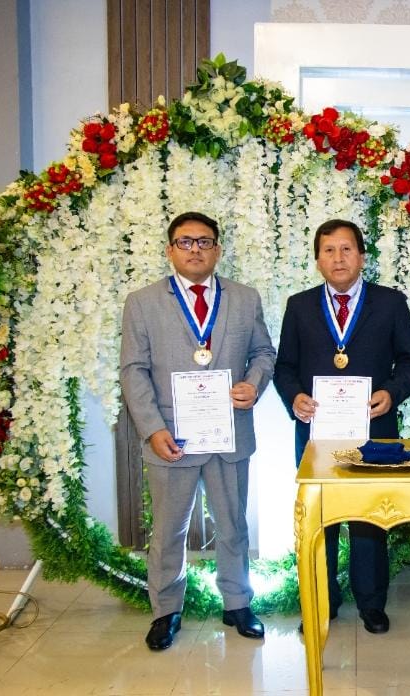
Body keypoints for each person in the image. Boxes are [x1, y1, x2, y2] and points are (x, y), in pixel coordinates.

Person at [120, 211, 276, 651]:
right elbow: (133, 370)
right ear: (170, 250)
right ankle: (165, 610)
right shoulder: (142, 302)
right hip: (171, 438)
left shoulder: (244, 298)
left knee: (233, 525)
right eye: (185, 242)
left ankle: (238, 602)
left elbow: (264, 352)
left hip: (228, 433)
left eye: (204, 242)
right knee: (168, 530)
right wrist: (152, 429)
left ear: (218, 250)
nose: (195, 250)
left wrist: (253, 384)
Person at [274, 219, 410, 635]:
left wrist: (391, 392)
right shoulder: (299, 306)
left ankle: (372, 604)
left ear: (361, 256)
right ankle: (321, 601)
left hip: (375, 429)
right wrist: (294, 397)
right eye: (329, 250)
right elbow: (284, 367)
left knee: (369, 518)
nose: (338, 258)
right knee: (320, 520)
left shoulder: (390, 302)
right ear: (317, 260)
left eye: (346, 249)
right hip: (317, 433)